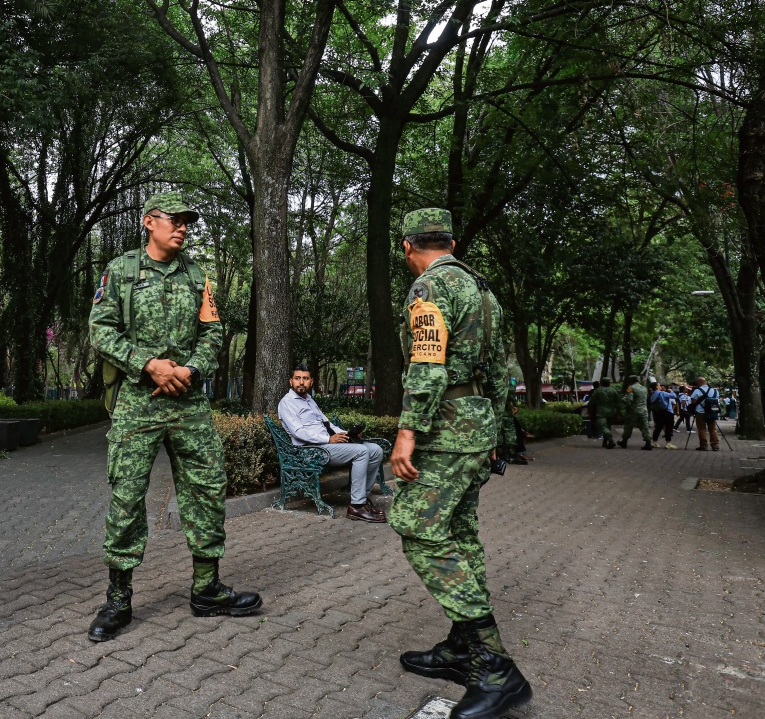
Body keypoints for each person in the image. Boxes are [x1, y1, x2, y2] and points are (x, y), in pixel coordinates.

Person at [86, 191, 261, 643]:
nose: (182, 227)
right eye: (174, 220)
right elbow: (99, 329)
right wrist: (149, 365)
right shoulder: (121, 270)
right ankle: (118, 598)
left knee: (205, 491)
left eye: (188, 222)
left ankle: (207, 590)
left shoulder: (197, 275)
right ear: (149, 222)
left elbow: (213, 330)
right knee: (126, 497)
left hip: (188, 403)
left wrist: (189, 369)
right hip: (137, 404)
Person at [388, 208, 532, 719]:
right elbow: (501, 372)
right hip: (475, 428)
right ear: (448, 239)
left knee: (417, 525)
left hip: (445, 428)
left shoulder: (429, 289)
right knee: (460, 530)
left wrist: (407, 432)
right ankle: (461, 649)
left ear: (408, 246)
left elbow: (427, 364)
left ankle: (496, 667)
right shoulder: (482, 289)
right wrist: (494, 433)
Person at [278, 364, 387, 522]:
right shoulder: (286, 403)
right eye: (297, 378)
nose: (301, 382)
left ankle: (362, 497)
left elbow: (327, 425)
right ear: (291, 382)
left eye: (305, 378)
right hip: (310, 450)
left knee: (376, 450)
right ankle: (357, 507)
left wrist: (346, 434)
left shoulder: (309, 400)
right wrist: (328, 439)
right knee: (361, 452)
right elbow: (298, 432)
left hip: (326, 446)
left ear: (311, 381)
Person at [617, 377, 652, 451]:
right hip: (644, 410)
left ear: (630, 381)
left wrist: (623, 401)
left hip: (634, 410)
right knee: (644, 426)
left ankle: (624, 442)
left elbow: (629, 400)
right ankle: (648, 443)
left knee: (628, 426)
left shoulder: (631, 388)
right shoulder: (643, 388)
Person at [690, 377, 721, 451]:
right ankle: (715, 445)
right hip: (712, 412)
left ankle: (703, 445)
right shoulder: (714, 390)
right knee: (713, 429)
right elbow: (717, 400)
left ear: (699, 382)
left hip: (700, 412)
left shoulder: (697, 390)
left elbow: (693, 401)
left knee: (702, 429)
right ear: (706, 382)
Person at [591, 378, 622, 449]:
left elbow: (592, 402)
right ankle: (605, 442)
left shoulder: (597, 391)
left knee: (603, 427)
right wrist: (618, 413)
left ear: (601, 383)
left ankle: (611, 441)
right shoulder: (613, 391)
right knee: (608, 427)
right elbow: (618, 403)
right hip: (611, 412)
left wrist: (590, 411)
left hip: (601, 412)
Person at [649, 382, 677, 449]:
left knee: (658, 427)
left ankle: (654, 442)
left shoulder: (652, 394)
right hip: (667, 412)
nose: (660, 386)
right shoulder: (662, 393)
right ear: (656, 387)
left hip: (657, 412)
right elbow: (674, 396)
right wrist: (671, 391)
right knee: (668, 427)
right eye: (659, 385)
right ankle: (668, 443)